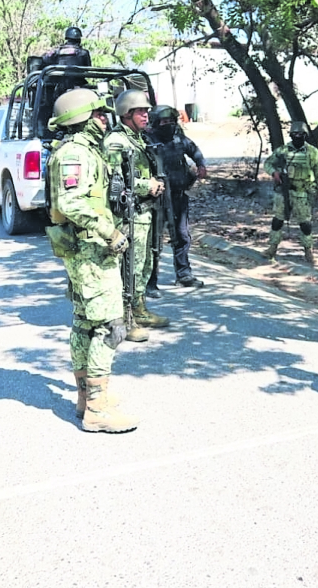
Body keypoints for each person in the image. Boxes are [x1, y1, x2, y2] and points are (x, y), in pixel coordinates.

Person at [45, 88, 138, 433]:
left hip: (87, 250)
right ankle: (97, 410)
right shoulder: (75, 154)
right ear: (82, 118)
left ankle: (87, 398)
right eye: (98, 113)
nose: (104, 118)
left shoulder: (82, 151)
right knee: (110, 326)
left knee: (85, 323)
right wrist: (109, 232)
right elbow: (70, 203)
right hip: (91, 251)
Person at [104, 89, 170, 342]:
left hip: (145, 213)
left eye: (146, 110)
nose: (146, 115)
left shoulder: (139, 139)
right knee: (128, 268)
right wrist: (146, 186)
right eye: (141, 111)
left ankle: (139, 309)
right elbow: (113, 179)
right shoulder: (116, 142)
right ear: (127, 113)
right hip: (129, 216)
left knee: (144, 264)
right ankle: (125, 319)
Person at [146, 105, 208, 289]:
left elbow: (194, 150)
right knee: (154, 240)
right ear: (156, 123)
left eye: (172, 121)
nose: (169, 125)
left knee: (181, 236)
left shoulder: (179, 139)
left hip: (179, 195)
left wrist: (201, 164)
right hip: (156, 200)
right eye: (165, 122)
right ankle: (150, 280)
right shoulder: (147, 141)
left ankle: (184, 274)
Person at [263, 121, 318, 263]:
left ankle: (308, 251)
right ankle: (272, 248)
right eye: (295, 134)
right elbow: (268, 163)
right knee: (278, 220)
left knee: (305, 223)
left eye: (300, 134)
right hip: (284, 192)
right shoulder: (283, 151)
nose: (297, 136)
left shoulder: (312, 152)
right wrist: (274, 172)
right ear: (291, 135)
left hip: (302, 192)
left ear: (305, 135)